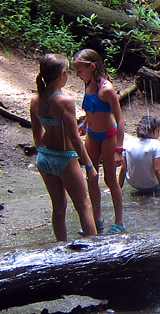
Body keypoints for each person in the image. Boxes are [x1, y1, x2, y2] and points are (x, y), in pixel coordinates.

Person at [30, 54, 98, 241]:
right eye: (67, 72)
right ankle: (95, 253)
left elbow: (37, 135)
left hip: (44, 157)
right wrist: (89, 166)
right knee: (83, 205)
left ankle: (60, 248)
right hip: (65, 157)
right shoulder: (65, 102)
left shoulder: (36, 100)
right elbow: (75, 140)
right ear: (61, 75)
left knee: (59, 206)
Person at [74, 48, 125, 234]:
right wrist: (84, 124)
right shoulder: (87, 84)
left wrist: (119, 149)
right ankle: (97, 219)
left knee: (110, 179)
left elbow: (120, 120)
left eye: (80, 71)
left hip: (108, 137)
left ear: (92, 67)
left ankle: (119, 221)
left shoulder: (107, 89)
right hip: (92, 135)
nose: (77, 75)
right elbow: (91, 110)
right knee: (92, 176)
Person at [118, 115, 160, 197]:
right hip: (152, 185)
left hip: (133, 183)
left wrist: (118, 188)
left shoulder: (128, 143)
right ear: (151, 132)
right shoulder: (155, 144)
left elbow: (123, 169)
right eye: (158, 131)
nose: (158, 134)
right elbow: (157, 170)